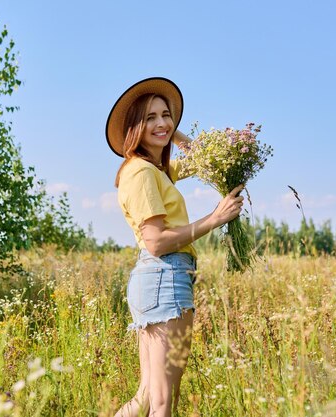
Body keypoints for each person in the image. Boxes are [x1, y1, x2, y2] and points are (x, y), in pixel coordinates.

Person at [106, 77, 244, 417]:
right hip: (165, 277)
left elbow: (202, 158)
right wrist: (215, 219)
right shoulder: (140, 173)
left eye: (165, 115)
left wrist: (171, 130)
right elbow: (155, 242)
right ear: (134, 126)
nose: (161, 123)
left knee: (148, 399)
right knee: (162, 403)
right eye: (149, 117)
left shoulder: (158, 170)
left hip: (161, 279)